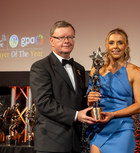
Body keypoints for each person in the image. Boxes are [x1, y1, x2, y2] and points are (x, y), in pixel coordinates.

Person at [30, 20, 97, 153]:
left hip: (75, 143)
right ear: (51, 40)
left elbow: (77, 101)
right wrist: (76, 115)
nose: (66, 41)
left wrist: (88, 101)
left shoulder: (79, 68)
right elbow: (44, 103)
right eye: (61, 37)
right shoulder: (40, 67)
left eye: (70, 37)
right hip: (51, 143)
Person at [87, 28, 140, 153]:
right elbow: (91, 104)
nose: (116, 46)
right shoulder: (96, 71)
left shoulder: (135, 72)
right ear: (107, 46)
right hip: (100, 127)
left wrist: (113, 114)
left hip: (123, 128)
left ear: (126, 45)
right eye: (111, 42)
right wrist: (90, 100)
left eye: (120, 42)